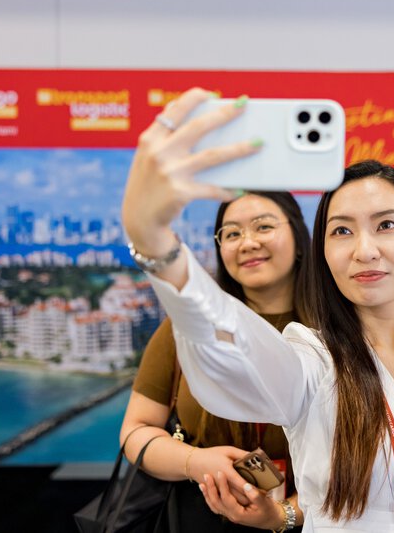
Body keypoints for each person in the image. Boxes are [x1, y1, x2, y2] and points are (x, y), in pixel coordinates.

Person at [121, 88, 394, 532]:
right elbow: (229, 350)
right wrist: (155, 241)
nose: (364, 250)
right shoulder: (311, 360)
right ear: (323, 252)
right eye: (342, 231)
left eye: (386, 225)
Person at [119, 187, 314, 531]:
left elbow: (365, 463)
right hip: (196, 519)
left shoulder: (337, 332)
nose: (248, 243)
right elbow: (135, 431)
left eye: (264, 227)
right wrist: (194, 461)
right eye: (232, 234)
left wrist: (283, 514)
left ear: (299, 237)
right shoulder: (188, 330)